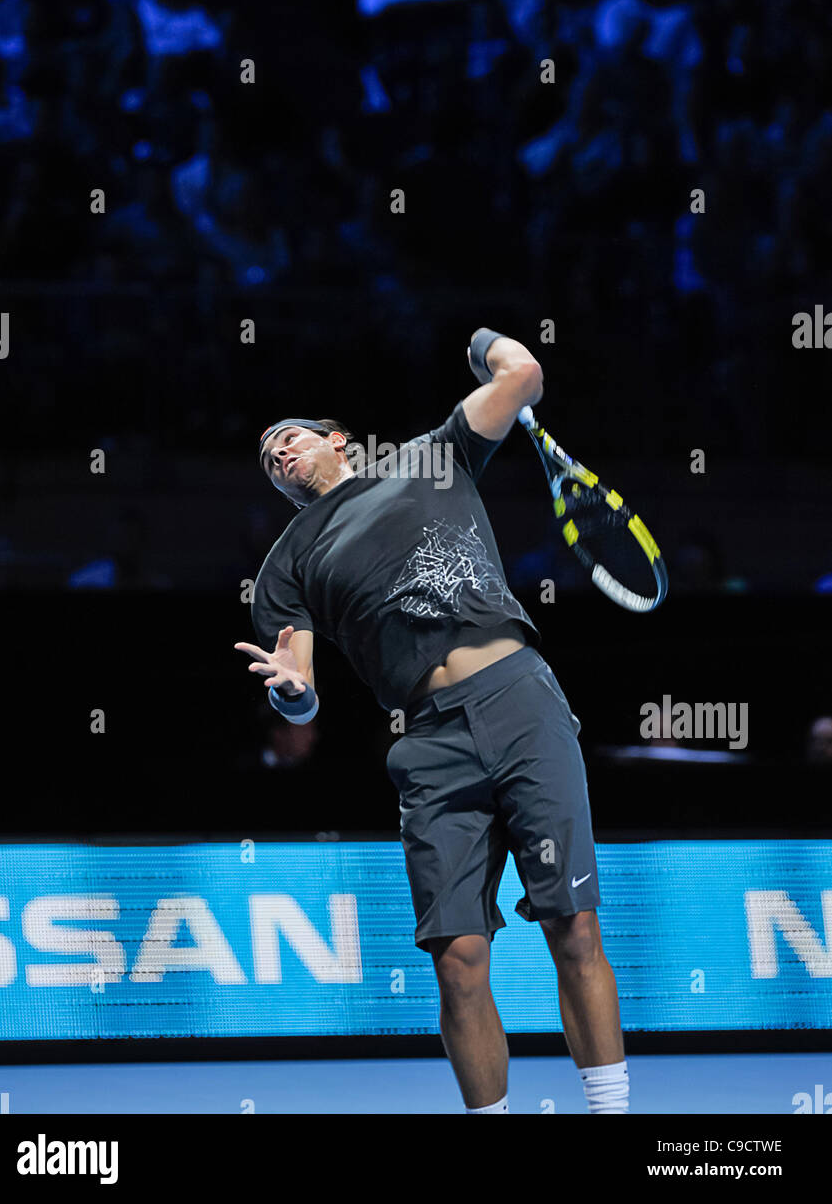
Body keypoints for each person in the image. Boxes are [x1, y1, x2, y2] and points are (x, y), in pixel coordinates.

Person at [236, 328, 628, 1114]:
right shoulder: (285, 564)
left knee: (573, 928)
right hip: (428, 741)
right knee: (456, 960)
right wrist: (288, 692)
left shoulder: (431, 454)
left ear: (336, 441)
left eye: (289, 438)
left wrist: (483, 342)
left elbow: (525, 373)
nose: (277, 452)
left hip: (517, 697)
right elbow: (304, 695)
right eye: (266, 456)